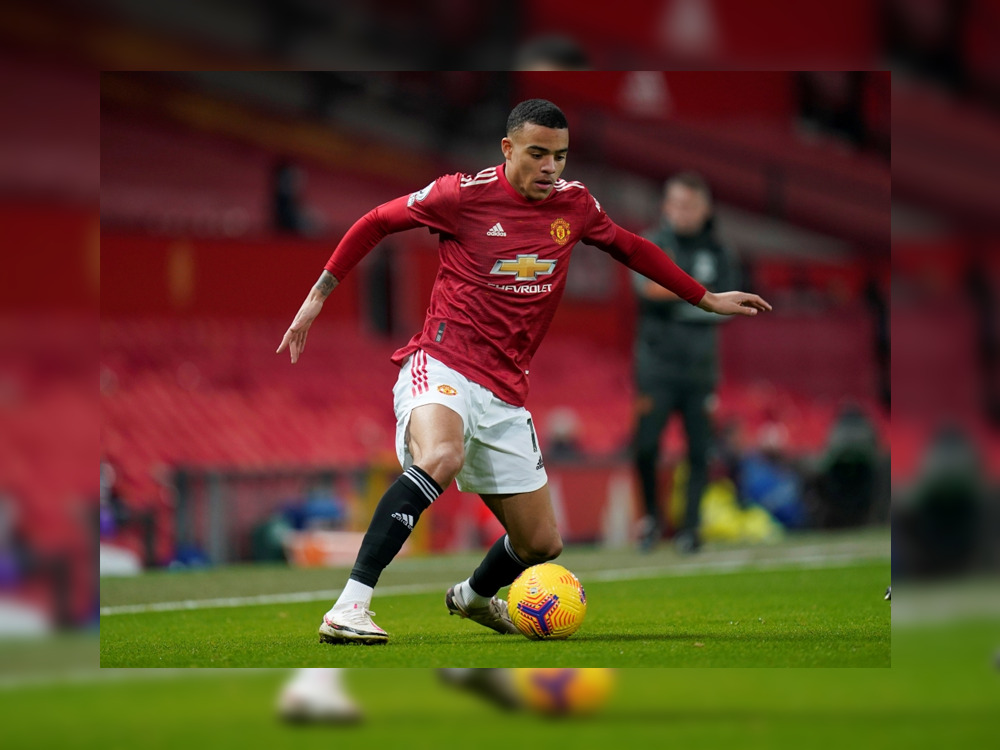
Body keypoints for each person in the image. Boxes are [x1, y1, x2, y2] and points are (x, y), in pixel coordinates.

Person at [277, 99, 771, 644]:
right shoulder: (460, 196)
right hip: (442, 362)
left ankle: (472, 597)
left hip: (506, 391)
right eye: (538, 154)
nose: (550, 168)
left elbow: (631, 247)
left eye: (559, 156)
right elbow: (376, 221)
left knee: (540, 544)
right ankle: (350, 606)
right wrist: (319, 294)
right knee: (441, 455)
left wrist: (704, 298)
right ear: (508, 149)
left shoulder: (575, 205)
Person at [630, 172, 741, 553]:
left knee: (699, 451)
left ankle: (691, 529)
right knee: (645, 446)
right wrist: (703, 296)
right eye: (677, 204)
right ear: (665, 207)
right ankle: (650, 521)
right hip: (655, 367)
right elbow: (646, 290)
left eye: (691, 205)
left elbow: (730, 307)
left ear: (705, 209)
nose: (683, 212)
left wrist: (678, 292)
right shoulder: (651, 244)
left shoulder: (720, 252)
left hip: (700, 368)